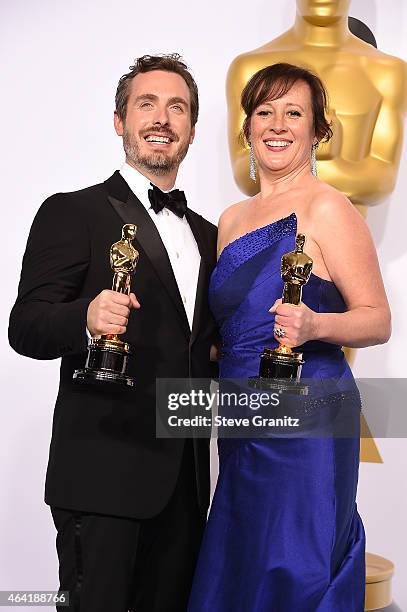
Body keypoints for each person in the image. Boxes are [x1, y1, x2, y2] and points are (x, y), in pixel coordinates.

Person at [9, 53, 217, 612]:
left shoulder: (211, 235)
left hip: (188, 484)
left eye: (177, 107)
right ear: (120, 120)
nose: (161, 118)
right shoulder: (72, 212)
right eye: (145, 103)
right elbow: (25, 326)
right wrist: (84, 317)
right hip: (102, 481)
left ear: (192, 128)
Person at [188, 63, 391, 611]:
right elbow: (235, 324)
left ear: (317, 131)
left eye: (293, 112)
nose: (277, 124)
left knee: (294, 564)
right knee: (243, 555)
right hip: (240, 416)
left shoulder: (330, 208)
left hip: (309, 417)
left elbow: (377, 318)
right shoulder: (230, 219)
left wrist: (317, 325)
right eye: (264, 112)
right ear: (248, 128)